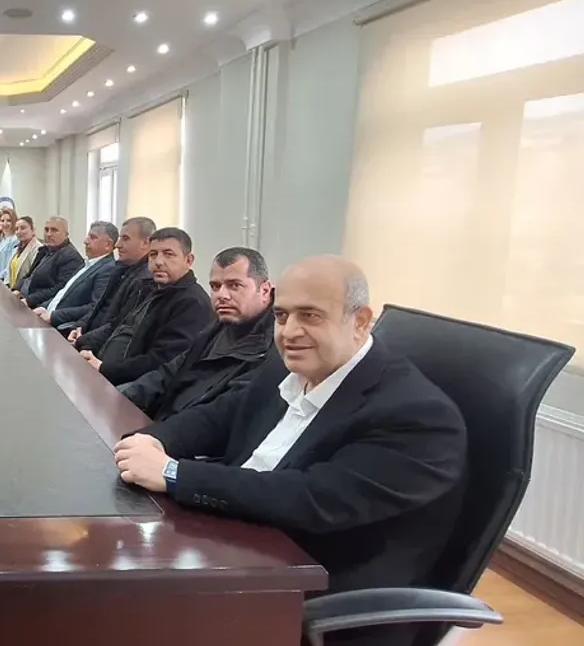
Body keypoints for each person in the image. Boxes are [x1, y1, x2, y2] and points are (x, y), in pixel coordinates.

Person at [113, 256, 467, 618]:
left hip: (307, 590)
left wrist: (173, 473)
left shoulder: (418, 417)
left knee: (121, 609)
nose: (289, 332)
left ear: (360, 321)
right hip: (234, 544)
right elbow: (218, 416)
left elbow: (309, 497)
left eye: (310, 316)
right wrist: (151, 441)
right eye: (281, 316)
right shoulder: (287, 368)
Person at [119, 247, 277, 422]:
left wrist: (159, 433)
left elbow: (218, 417)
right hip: (164, 423)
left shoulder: (272, 350)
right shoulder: (217, 328)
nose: (222, 295)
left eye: (234, 285)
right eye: (215, 286)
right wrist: (120, 401)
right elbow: (168, 373)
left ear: (264, 290)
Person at [79, 227, 214, 385]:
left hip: (129, 384)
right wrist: (85, 346)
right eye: (153, 254)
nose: (159, 262)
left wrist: (104, 369)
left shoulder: (192, 303)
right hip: (102, 370)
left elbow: (161, 361)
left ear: (188, 260)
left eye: (168, 254)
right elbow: (115, 327)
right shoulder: (146, 288)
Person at [66, 217, 156, 342]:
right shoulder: (120, 270)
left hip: (97, 347)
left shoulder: (144, 281)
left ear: (145, 243)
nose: (118, 245)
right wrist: (79, 326)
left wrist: (84, 342)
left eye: (125, 239)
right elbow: (98, 308)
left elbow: (119, 326)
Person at [33, 221, 118, 325]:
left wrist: (54, 316)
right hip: (47, 315)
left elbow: (94, 307)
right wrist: (44, 307)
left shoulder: (108, 269)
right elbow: (64, 293)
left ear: (108, 245)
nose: (85, 241)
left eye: (93, 237)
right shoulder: (87, 264)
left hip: (62, 325)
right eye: (88, 236)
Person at [16, 216, 85, 306]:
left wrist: (29, 300)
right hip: (23, 297)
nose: (48, 234)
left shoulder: (71, 257)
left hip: (37, 305)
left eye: (54, 230)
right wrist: (16, 289)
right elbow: (29, 275)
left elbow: (60, 289)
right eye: (46, 230)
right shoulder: (44, 250)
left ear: (66, 234)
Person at [5, 216, 42, 291]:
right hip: (11, 291)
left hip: (23, 293)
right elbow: (9, 272)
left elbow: (33, 277)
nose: (19, 232)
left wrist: (19, 291)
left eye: (23, 228)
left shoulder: (38, 249)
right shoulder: (17, 248)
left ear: (33, 230)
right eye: (16, 229)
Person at [0, 211, 20, 283]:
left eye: (9, 221)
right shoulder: (3, 238)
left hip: (4, 280)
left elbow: (10, 266)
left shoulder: (15, 240)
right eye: (2, 221)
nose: (5, 224)